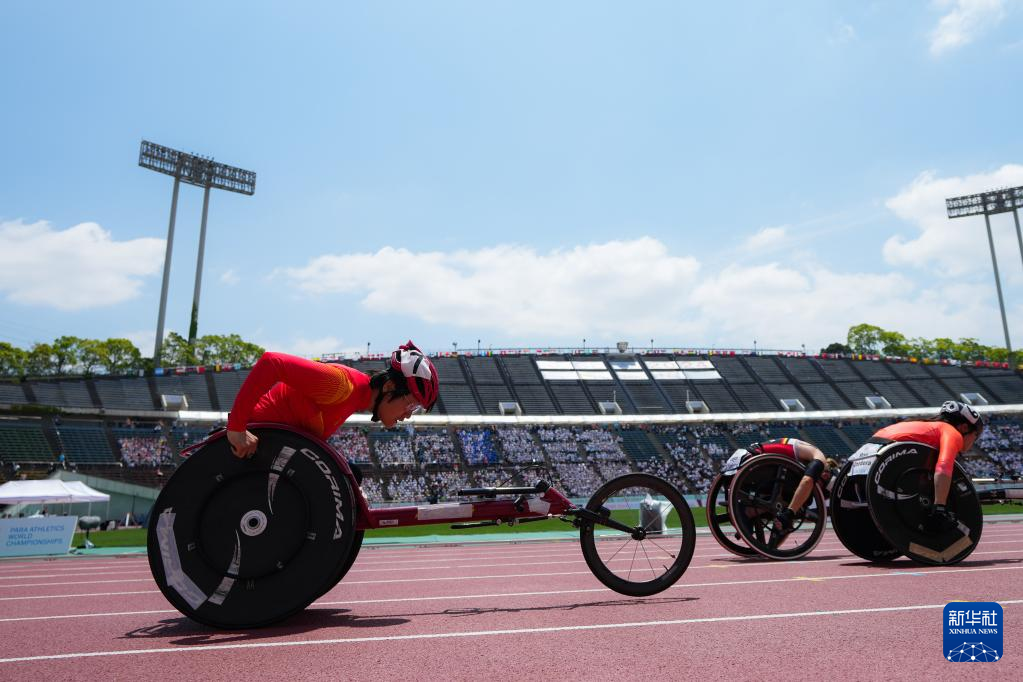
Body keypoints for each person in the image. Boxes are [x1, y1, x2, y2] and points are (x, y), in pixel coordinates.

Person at [226, 341, 439, 460]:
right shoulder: (341, 385)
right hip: (241, 449)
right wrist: (236, 427)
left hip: (260, 452)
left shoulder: (355, 398)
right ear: (389, 387)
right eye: (412, 404)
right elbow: (272, 362)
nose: (408, 415)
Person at [871, 400, 984, 532]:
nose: (974, 441)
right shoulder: (952, 432)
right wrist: (940, 506)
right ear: (964, 428)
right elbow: (944, 466)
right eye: (976, 435)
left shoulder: (921, 424)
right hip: (887, 463)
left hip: (870, 451)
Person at [741, 437, 838, 544]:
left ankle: (769, 548)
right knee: (799, 499)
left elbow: (802, 513)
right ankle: (747, 511)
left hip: (751, 459)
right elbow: (807, 481)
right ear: (825, 475)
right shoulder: (820, 459)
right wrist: (789, 513)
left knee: (796, 504)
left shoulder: (808, 459)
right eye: (822, 490)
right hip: (754, 461)